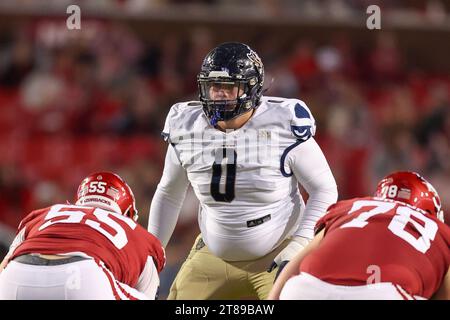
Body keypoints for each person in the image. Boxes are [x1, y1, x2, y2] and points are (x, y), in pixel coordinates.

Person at [148, 42, 338, 299]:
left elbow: (324, 189)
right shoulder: (187, 125)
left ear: (252, 88)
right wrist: (151, 251)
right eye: (214, 86)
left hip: (279, 252)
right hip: (214, 253)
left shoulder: (282, 124)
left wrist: (299, 244)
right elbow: (169, 193)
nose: (219, 94)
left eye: (228, 86)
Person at [268, 171, 450, 300]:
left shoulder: (350, 208)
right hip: (386, 293)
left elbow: (293, 267)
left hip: (305, 288)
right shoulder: (439, 231)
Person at [0, 172, 165, 300]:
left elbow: (4, 266)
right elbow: (147, 292)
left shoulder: (44, 213)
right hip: (82, 276)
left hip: (16, 274)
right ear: (128, 211)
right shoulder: (138, 234)